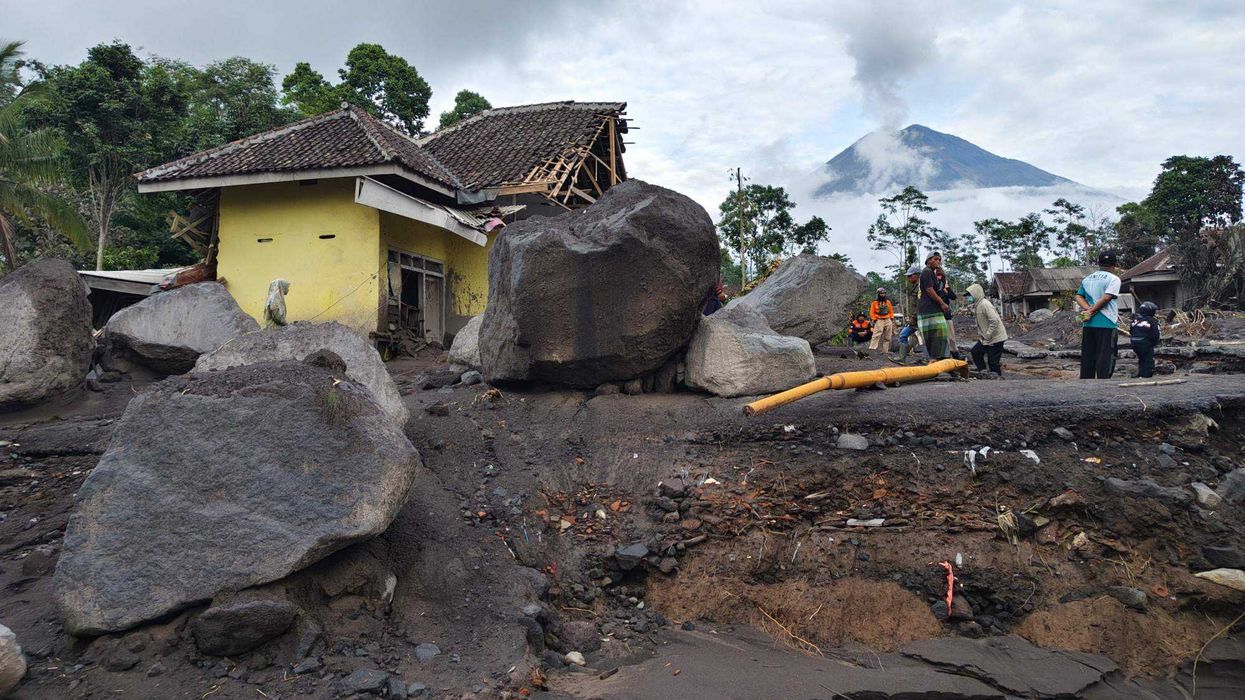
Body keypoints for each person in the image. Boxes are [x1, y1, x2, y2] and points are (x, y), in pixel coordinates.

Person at [1075, 250, 1123, 379]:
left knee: (1088, 354)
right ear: (1114, 265)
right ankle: (1103, 382)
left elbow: (1078, 296)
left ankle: (1086, 381)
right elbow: (1107, 298)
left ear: (1098, 263)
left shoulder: (1087, 279)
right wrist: (1091, 310)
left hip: (1088, 323)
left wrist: (1087, 310)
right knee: (1106, 354)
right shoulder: (1114, 279)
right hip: (1107, 323)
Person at [965, 283, 1007, 376]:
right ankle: (983, 372)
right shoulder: (978, 305)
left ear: (976, 294)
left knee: (993, 362)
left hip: (995, 337)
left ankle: (997, 380)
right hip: (986, 338)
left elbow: (995, 320)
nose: (968, 298)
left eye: (969, 295)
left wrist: (988, 334)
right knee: (976, 352)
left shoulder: (985, 304)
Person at [917, 252, 952, 359]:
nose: (938, 261)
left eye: (939, 260)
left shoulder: (932, 273)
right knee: (936, 336)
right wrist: (942, 303)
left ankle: (937, 359)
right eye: (936, 259)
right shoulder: (927, 272)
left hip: (931, 309)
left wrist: (944, 276)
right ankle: (937, 359)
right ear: (928, 260)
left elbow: (940, 288)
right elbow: (929, 290)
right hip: (930, 310)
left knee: (937, 336)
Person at [1129, 301, 1160, 378]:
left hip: (1134, 343)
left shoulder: (1135, 320)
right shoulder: (1153, 321)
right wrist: (1152, 344)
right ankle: (1147, 374)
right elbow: (1156, 335)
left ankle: (1141, 373)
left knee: (1141, 358)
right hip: (1145, 343)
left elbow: (1131, 331)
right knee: (1148, 358)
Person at [868, 287, 895, 352]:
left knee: (887, 336)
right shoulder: (874, 303)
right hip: (879, 320)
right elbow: (872, 312)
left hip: (887, 319)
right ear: (878, 294)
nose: (882, 295)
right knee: (876, 335)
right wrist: (874, 319)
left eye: (883, 293)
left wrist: (892, 317)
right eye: (881, 293)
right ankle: (872, 350)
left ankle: (885, 351)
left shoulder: (888, 302)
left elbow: (891, 310)